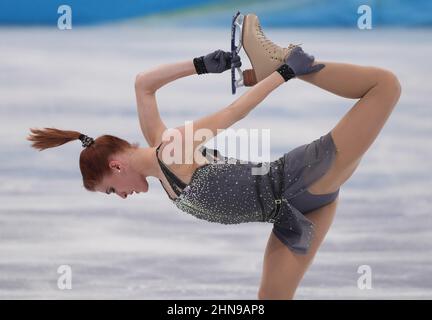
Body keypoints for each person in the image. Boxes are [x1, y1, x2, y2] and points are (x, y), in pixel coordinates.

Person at [27, 43, 401, 299]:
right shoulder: (159, 153)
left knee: (384, 86)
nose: (121, 196)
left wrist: (284, 73)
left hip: (304, 176)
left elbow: (231, 114)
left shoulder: (173, 148)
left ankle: (292, 63)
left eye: (111, 190)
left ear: (115, 165)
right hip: (292, 213)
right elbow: (143, 85)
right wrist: (201, 65)